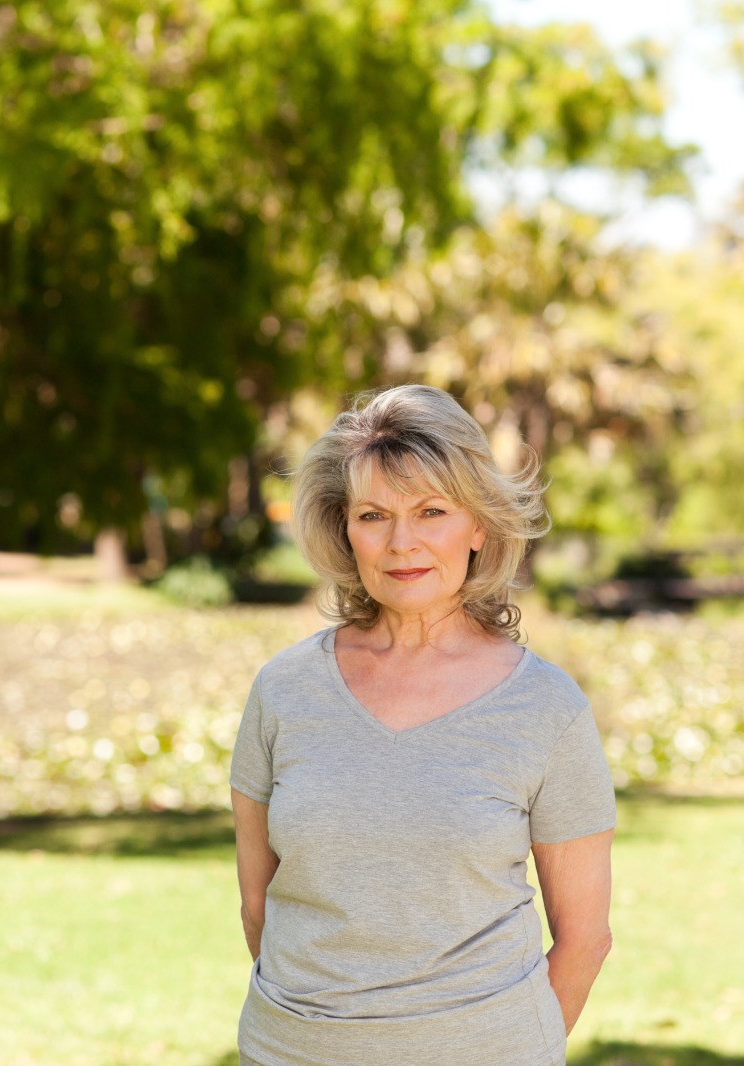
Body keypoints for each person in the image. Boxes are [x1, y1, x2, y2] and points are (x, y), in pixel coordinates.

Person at [230, 385, 615, 1066]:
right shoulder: (283, 692)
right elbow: (258, 911)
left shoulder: (547, 709)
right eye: (374, 515)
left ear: (479, 526)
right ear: (343, 529)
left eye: (431, 511)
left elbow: (584, 940)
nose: (401, 543)